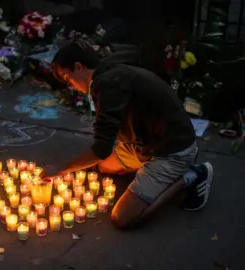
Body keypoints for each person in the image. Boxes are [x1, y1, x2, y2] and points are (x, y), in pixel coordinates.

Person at [48, 40, 213, 229]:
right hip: (144, 144)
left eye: (68, 78)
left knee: (123, 217)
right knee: (102, 168)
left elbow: (101, 148)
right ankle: (151, 174)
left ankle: (191, 175)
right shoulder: (108, 73)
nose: (70, 86)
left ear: (78, 67)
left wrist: (62, 169)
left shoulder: (109, 84)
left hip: (171, 152)